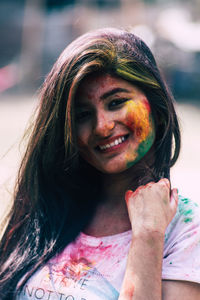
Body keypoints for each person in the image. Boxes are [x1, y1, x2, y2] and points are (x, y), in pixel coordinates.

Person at [0, 28, 200, 300]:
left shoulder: (187, 229)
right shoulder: (51, 207)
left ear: (158, 107)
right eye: (83, 115)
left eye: (116, 102)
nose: (102, 126)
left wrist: (148, 237)